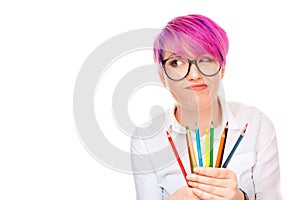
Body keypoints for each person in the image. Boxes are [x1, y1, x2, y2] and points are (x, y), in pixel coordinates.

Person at [131, 14, 282, 200]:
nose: (194, 74)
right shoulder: (146, 138)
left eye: (205, 60)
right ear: (162, 76)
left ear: (222, 68)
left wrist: (240, 198)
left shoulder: (256, 124)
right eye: (176, 62)